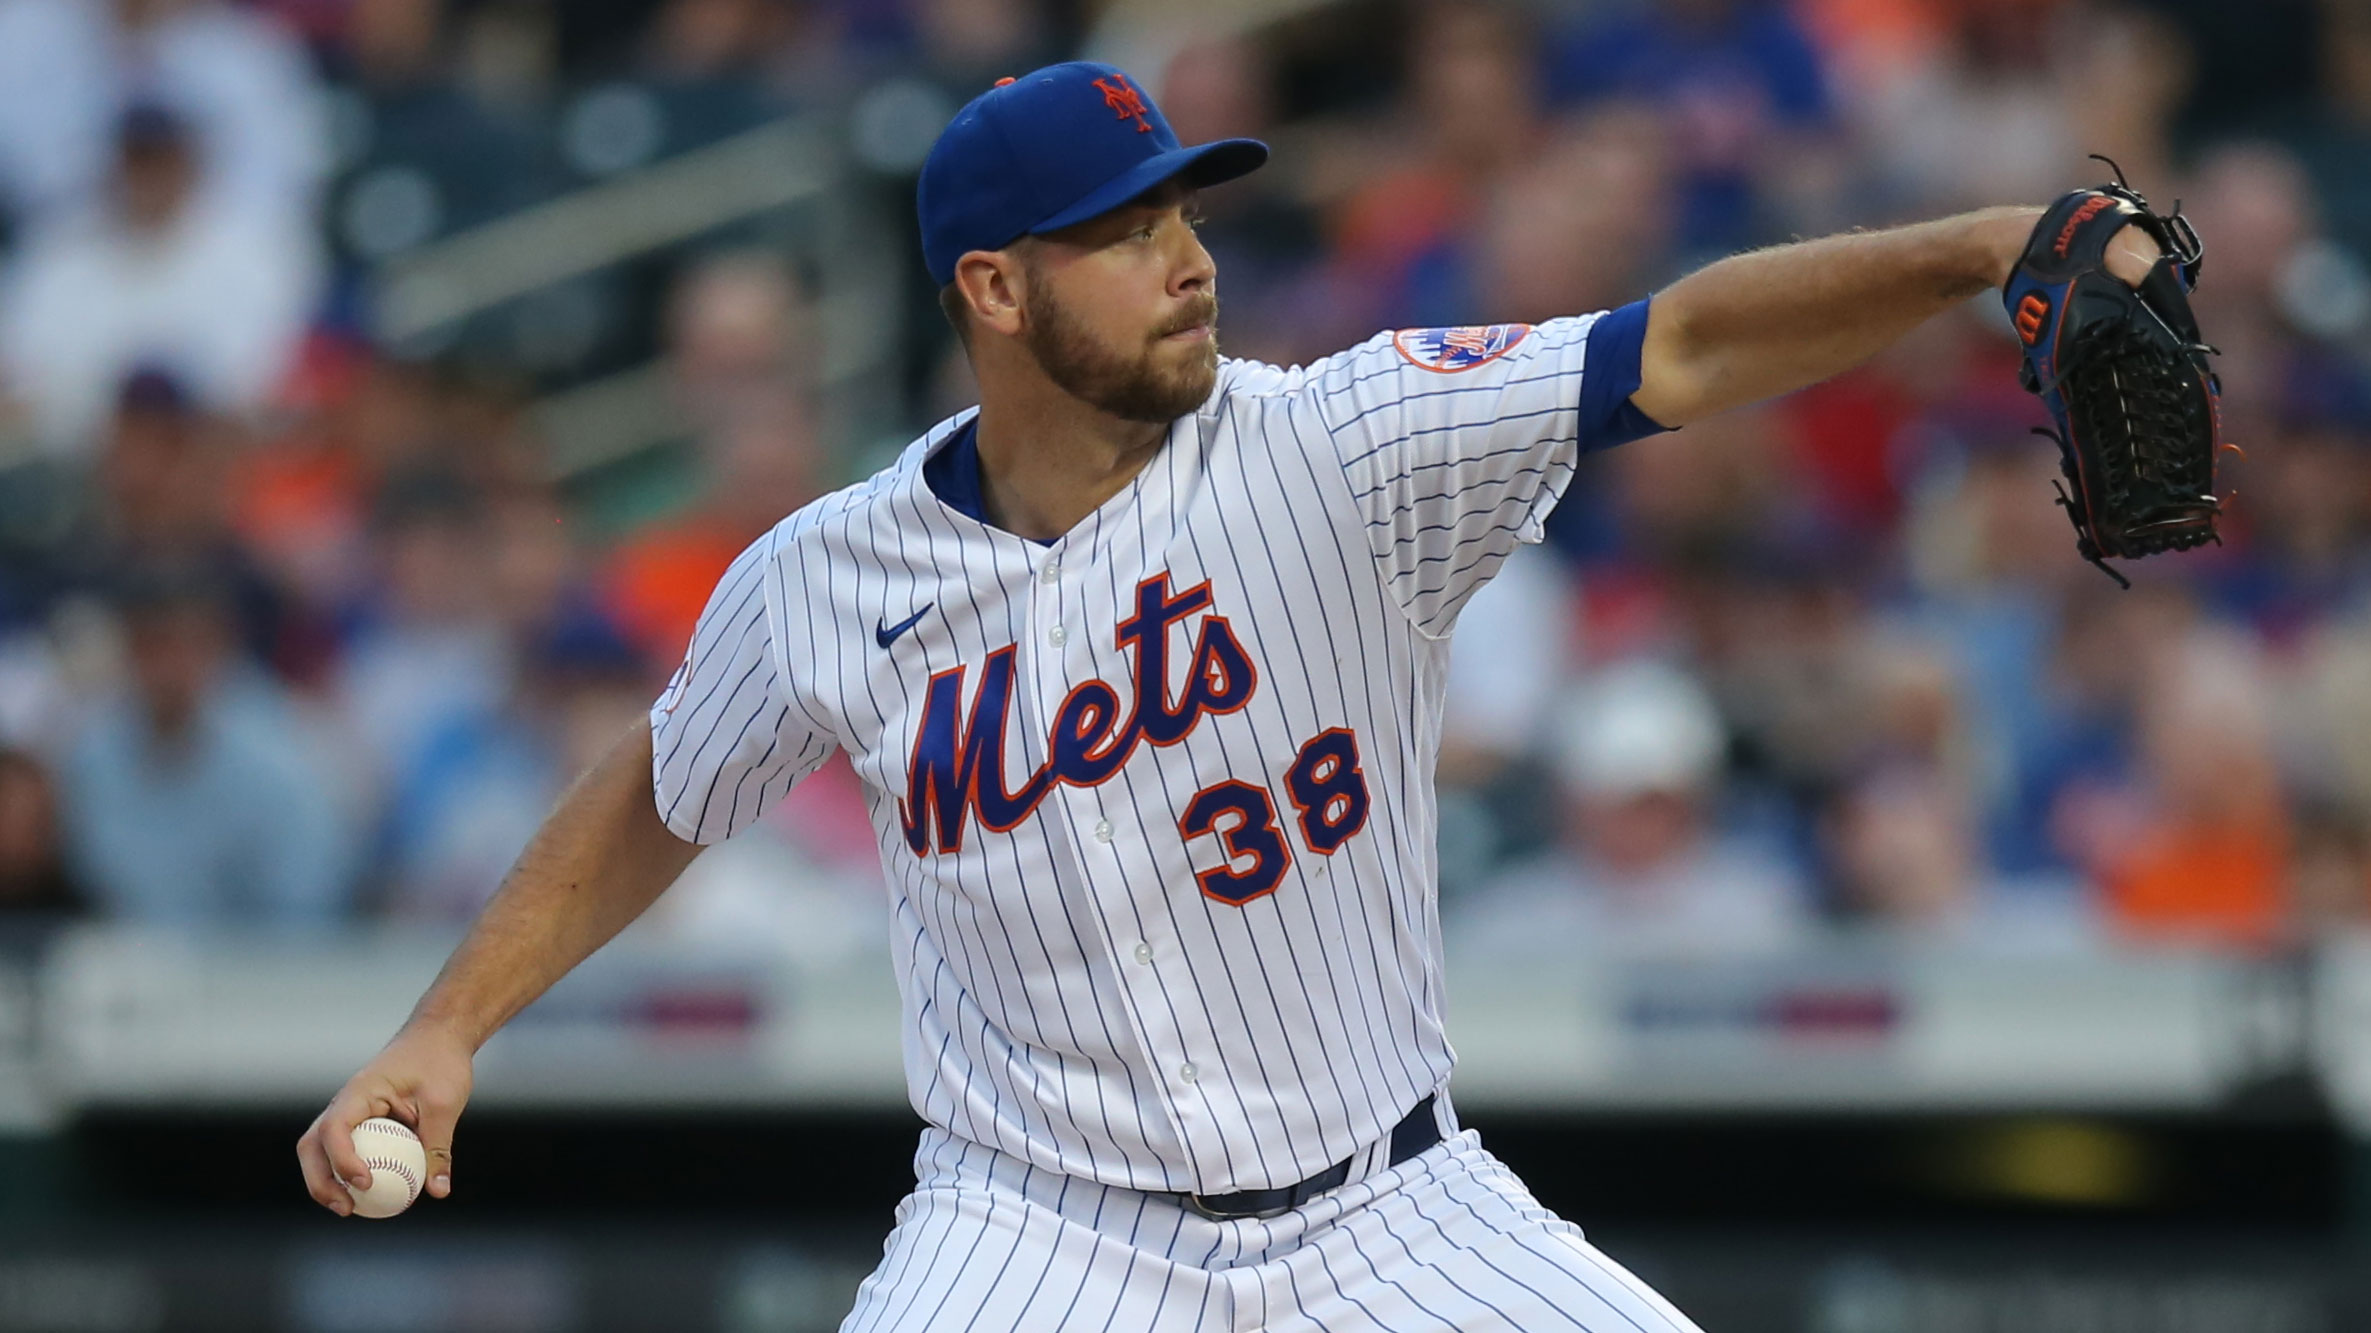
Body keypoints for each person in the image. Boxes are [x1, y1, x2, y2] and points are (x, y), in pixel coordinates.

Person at [297, 60, 2168, 1330]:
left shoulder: (1345, 441)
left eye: (1186, 211)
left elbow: (1669, 345)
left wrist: (1972, 249)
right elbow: (661, 787)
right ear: (995, 289)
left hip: (1392, 1213)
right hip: (1038, 1236)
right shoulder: (825, 576)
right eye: (1126, 232)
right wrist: (447, 1028)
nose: (1188, 260)